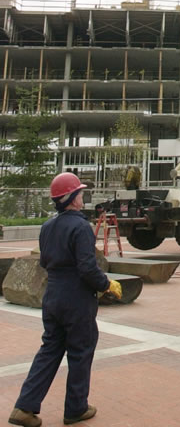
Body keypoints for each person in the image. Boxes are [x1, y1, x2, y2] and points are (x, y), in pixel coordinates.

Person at [8, 173, 122, 427]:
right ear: (72, 199)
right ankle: (76, 408)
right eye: (80, 193)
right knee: (81, 351)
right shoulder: (81, 227)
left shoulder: (48, 227)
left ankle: (24, 407)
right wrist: (106, 285)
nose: (83, 196)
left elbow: (44, 262)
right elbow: (87, 268)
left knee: (49, 350)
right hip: (76, 299)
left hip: (53, 296)